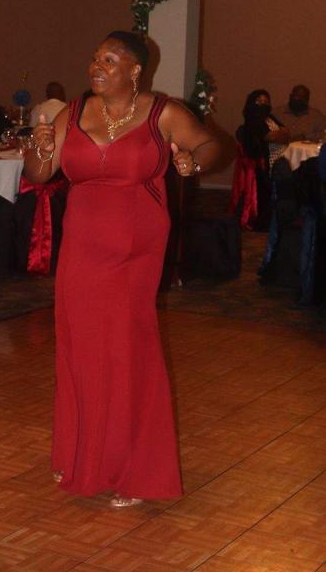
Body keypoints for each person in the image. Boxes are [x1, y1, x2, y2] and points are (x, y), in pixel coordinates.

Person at [25, 30, 220, 508]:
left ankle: (134, 469)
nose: (97, 66)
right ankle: (81, 453)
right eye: (95, 58)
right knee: (81, 346)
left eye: (109, 60)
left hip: (136, 250)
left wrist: (192, 162)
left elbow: (210, 145)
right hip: (82, 249)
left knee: (127, 349)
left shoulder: (162, 113)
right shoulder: (73, 112)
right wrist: (40, 146)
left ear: (134, 70)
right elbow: (39, 174)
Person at [233, 89, 290, 229]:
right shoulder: (252, 119)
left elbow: (286, 132)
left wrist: (280, 134)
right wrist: (279, 134)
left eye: (266, 101)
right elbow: (270, 137)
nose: (263, 104)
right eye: (259, 101)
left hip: (278, 156)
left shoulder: (270, 117)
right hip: (261, 162)